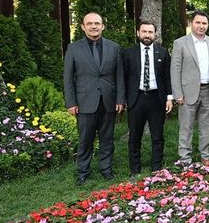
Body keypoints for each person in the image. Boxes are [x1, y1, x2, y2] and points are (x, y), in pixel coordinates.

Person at [63, 12, 125, 185]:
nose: (93, 26)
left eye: (97, 23)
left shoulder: (114, 47)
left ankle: (106, 169)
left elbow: (119, 76)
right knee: (85, 140)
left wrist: (120, 99)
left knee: (107, 138)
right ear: (83, 27)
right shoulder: (73, 48)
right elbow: (68, 78)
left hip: (108, 101)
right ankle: (83, 172)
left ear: (102, 26)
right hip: (84, 102)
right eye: (89, 23)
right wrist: (71, 102)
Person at [170, 11, 209, 164]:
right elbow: (175, 69)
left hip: (208, 91)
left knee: (207, 127)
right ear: (191, 23)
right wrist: (177, 93)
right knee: (186, 127)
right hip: (187, 92)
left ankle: (206, 156)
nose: (201, 26)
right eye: (198, 22)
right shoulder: (180, 43)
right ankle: (185, 159)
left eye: (204, 23)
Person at [122, 20, 173, 176]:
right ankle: (135, 169)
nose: (147, 35)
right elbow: (123, 78)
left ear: (155, 34)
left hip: (157, 98)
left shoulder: (163, 52)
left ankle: (156, 168)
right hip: (136, 98)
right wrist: (123, 100)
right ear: (138, 33)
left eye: (150, 32)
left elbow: (167, 76)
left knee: (157, 136)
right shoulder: (128, 53)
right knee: (134, 136)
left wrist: (169, 97)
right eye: (144, 31)